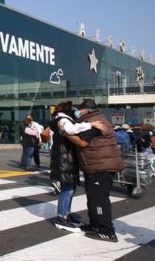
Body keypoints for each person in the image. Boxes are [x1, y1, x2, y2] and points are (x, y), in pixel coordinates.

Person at [63, 99, 124, 242]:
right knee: (93, 198)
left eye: (80, 109)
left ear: (87, 110)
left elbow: (82, 142)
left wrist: (65, 134)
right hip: (97, 164)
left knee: (98, 199)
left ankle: (106, 231)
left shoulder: (95, 122)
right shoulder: (93, 120)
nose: (77, 111)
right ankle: (95, 225)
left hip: (100, 166)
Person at [49, 101, 107, 232]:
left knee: (70, 188)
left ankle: (66, 214)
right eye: (75, 109)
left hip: (66, 158)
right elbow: (70, 130)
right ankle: (61, 218)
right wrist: (91, 124)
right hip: (64, 159)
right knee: (67, 189)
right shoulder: (63, 119)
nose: (77, 111)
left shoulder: (63, 118)